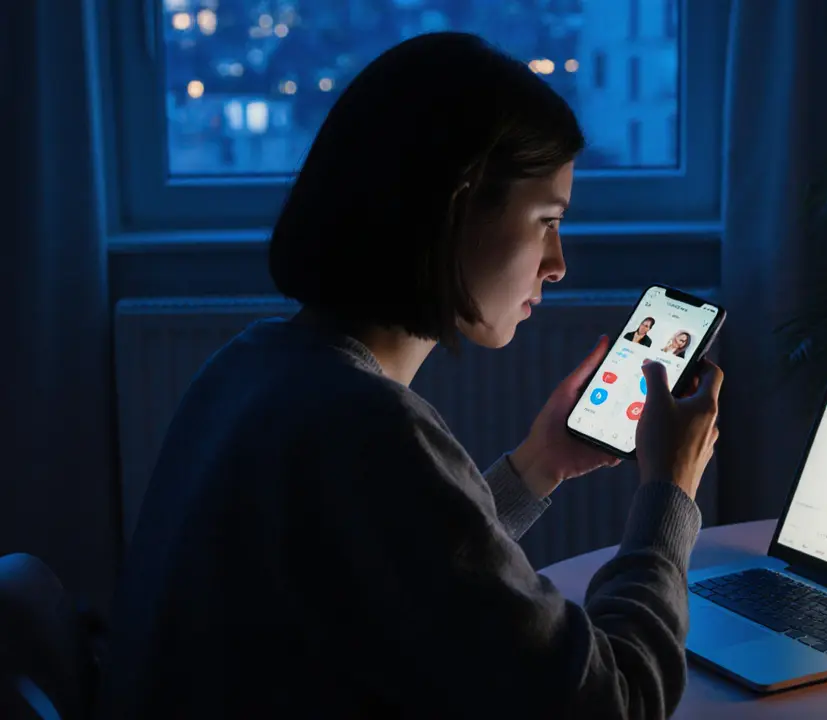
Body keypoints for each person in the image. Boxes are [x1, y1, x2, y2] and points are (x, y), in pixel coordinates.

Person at [100, 33, 723, 719]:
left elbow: (412, 576)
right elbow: (619, 703)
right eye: (546, 221)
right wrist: (670, 493)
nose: (558, 263)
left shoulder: (255, 365)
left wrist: (539, 464)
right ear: (456, 205)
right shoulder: (368, 427)